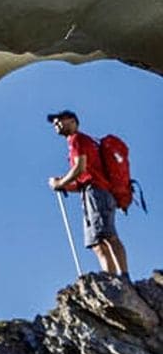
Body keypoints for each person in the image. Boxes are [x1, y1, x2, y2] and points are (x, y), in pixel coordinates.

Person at [46, 109, 129, 276]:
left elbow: (80, 168)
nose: (56, 124)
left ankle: (122, 276)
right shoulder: (82, 142)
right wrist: (64, 185)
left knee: (107, 235)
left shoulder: (77, 139)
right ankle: (112, 277)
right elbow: (83, 177)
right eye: (55, 123)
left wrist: (60, 182)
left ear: (73, 121)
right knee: (97, 241)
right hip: (93, 192)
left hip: (97, 193)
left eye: (60, 120)